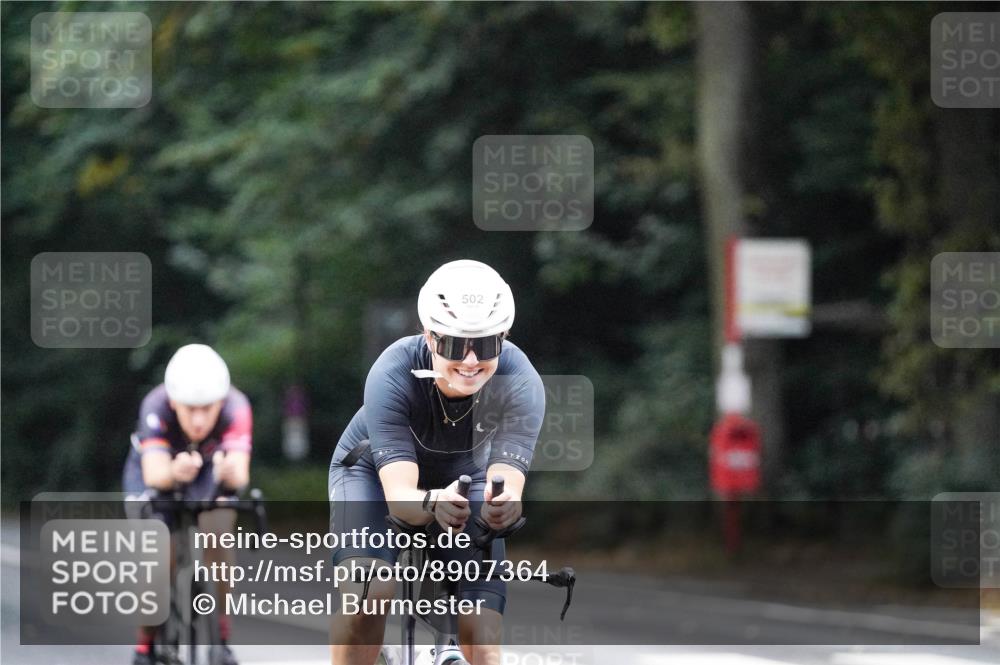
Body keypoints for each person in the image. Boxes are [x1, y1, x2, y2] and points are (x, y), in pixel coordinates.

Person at [328, 260, 544, 665]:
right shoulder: (392, 372)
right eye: (454, 345)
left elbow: (506, 481)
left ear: (504, 337)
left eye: (486, 345)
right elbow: (400, 500)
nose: (470, 361)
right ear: (429, 336)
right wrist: (432, 503)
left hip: (465, 478)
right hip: (372, 474)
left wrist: (503, 505)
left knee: (482, 640)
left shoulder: (520, 380)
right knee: (368, 597)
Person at [122, 344, 253, 665]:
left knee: (219, 533)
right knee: (158, 553)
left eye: (207, 409)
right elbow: (155, 474)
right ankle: (145, 643)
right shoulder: (155, 404)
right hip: (157, 470)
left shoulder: (236, 406)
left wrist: (228, 472)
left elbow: (240, 475)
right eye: (189, 409)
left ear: (221, 401)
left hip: (208, 471)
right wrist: (174, 472)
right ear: (173, 402)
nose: (198, 420)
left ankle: (221, 635)